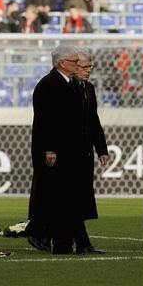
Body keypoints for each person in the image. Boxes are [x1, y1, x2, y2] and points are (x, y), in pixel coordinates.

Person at [26, 45, 94, 254]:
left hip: (70, 152)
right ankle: (40, 233)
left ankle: (64, 242)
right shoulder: (47, 85)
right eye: (74, 62)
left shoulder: (74, 85)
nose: (78, 66)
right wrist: (49, 149)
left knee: (64, 198)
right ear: (62, 63)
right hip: (54, 152)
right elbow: (45, 121)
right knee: (54, 197)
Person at [71, 49, 109, 254]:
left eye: (90, 67)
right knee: (74, 199)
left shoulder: (89, 88)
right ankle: (82, 243)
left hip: (85, 153)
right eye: (84, 67)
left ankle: (38, 230)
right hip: (69, 153)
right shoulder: (67, 89)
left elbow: (94, 121)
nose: (88, 71)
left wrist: (101, 148)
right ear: (73, 67)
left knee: (80, 198)